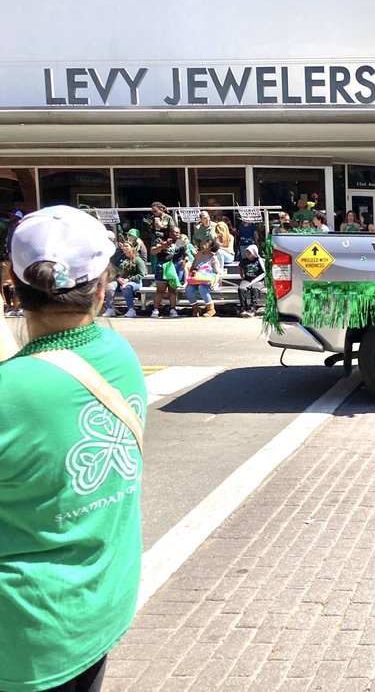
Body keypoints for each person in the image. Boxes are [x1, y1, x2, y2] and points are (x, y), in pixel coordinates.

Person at [0, 205, 144, 692]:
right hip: (98, 609)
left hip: (23, 635)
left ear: (15, 288)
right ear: (103, 286)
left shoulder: (11, 390)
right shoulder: (118, 356)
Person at [148, 225, 189, 318]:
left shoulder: (180, 242)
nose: (178, 234)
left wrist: (185, 260)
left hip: (175, 267)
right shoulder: (160, 240)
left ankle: (173, 309)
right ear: (170, 233)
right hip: (163, 266)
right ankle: (155, 309)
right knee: (160, 290)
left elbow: (185, 254)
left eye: (179, 232)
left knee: (172, 290)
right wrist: (164, 245)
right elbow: (153, 252)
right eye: (176, 232)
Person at [102, 242, 147, 318]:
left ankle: (131, 310)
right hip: (120, 281)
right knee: (109, 286)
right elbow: (113, 270)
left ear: (132, 248)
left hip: (134, 282)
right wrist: (118, 278)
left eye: (126, 246)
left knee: (126, 287)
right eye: (123, 246)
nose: (124, 248)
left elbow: (142, 274)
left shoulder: (138, 260)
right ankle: (110, 309)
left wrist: (128, 280)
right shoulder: (120, 258)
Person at [184, 239, 221, 318]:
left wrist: (214, 283)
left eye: (205, 245)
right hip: (197, 279)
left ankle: (210, 309)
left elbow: (217, 273)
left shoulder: (213, 258)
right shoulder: (198, 254)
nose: (202, 246)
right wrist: (193, 271)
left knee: (202, 288)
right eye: (202, 244)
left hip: (208, 280)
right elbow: (193, 267)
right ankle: (195, 309)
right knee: (188, 289)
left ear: (210, 247)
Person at [237, 244, 266, 318]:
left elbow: (265, 271)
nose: (247, 254)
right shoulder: (244, 261)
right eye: (246, 252)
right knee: (241, 288)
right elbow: (239, 267)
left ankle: (253, 307)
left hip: (258, 280)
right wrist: (241, 275)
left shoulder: (260, 261)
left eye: (249, 252)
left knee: (254, 289)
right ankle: (243, 307)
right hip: (247, 279)